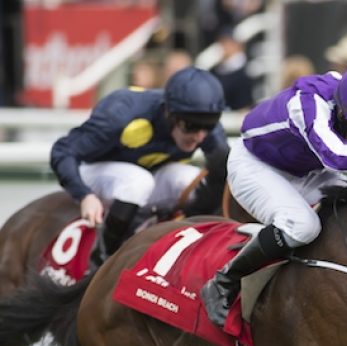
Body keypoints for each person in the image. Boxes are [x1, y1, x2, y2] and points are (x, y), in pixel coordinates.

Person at [200, 60, 347, 326]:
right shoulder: (308, 103)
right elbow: (337, 156)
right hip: (257, 165)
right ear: (342, 114)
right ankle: (223, 281)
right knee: (303, 226)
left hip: (311, 169)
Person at [50, 66, 230, 266]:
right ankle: (103, 259)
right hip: (93, 172)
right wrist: (84, 195)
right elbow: (62, 151)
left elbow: (224, 171)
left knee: (193, 179)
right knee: (138, 181)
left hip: (145, 178)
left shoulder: (203, 125)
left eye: (209, 126)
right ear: (169, 113)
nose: (199, 136)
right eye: (191, 126)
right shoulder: (121, 113)